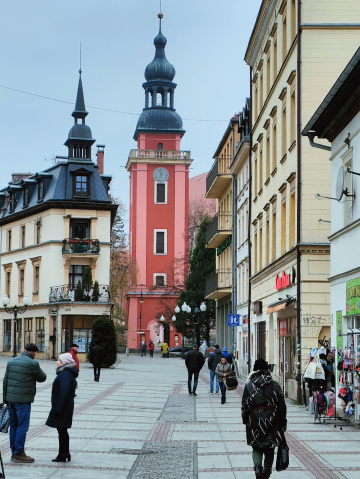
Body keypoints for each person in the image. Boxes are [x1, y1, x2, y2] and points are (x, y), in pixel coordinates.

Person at [241, 358, 287, 479]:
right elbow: (281, 405)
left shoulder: (249, 385)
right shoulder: (275, 385)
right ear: (267, 369)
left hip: (254, 418)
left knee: (256, 446)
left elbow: (245, 405)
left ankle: (257, 466)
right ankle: (266, 473)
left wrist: (245, 419)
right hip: (272, 418)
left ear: (255, 369)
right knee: (270, 447)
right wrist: (283, 420)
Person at [3, 343, 47, 463]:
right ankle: (19, 453)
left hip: (11, 399)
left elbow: (5, 380)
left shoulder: (11, 362)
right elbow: (42, 377)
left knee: (14, 426)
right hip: (23, 401)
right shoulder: (33, 363)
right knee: (22, 426)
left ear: (24, 350)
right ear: (34, 353)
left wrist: (5, 399)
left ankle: (13, 452)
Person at [46, 353, 78, 462]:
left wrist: (58, 408)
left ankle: (63, 454)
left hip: (63, 406)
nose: (57, 361)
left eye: (59, 360)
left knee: (62, 430)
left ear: (64, 362)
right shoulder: (66, 373)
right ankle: (64, 453)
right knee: (62, 430)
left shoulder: (65, 374)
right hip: (65, 405)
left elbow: (64, 392)